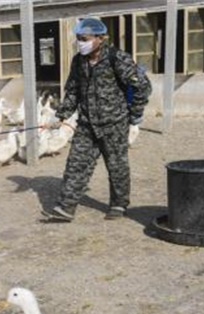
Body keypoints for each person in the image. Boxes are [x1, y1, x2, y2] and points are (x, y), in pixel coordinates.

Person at [42, 17, 152, 222]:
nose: (80, 42)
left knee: (116, 166)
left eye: (84, 38)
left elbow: (142, 86)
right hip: (86, 124)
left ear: (100, 38)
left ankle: (119, 204)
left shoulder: (117, 58)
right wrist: (62, 115)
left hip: (114, 124)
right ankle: (65, 207)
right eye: (78, 38)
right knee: (76, 164)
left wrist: (135, 114)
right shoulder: (78, 61)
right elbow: (73, 90)